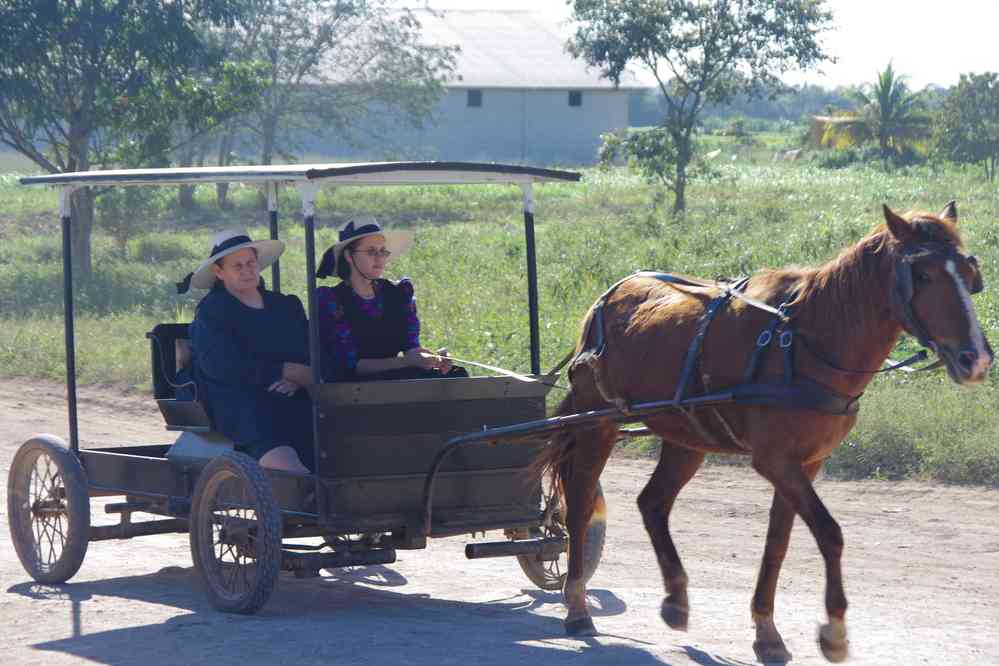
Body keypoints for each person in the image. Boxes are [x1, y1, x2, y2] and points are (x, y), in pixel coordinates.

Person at [177, 228, 314, 474]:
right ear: (219, 272)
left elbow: (306, 350)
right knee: (285, 458)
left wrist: (297, 380)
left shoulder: (285, 306)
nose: (247, 270)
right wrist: (282, 370)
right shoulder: (213, 311)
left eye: (251, 263)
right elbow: (220, 365)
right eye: (237, 266)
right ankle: (297, 487)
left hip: (292, 394)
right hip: (238, 400)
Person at [316, 217, 466, 381]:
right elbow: (351, 365)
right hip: (355, 389)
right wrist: (407, 362)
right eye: (371, 251)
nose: (379, 258)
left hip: (396, 380)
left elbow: (411, 348)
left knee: (455, 376)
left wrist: (435, 359)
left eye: (383, 251)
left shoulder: (399, 293)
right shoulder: (331, 301)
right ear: (349, 256)